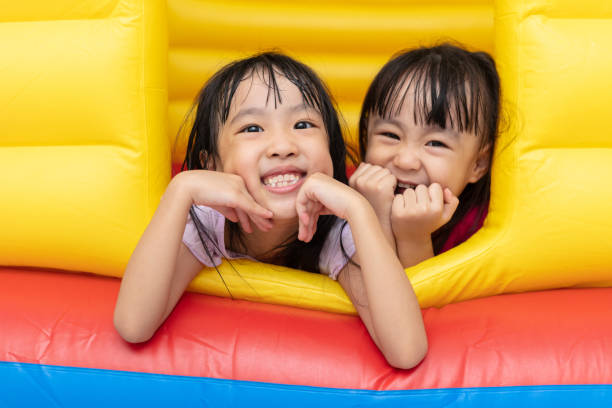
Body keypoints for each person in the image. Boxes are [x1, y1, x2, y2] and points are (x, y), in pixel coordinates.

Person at [114, 52, 427, 369]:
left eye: (302, 124)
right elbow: (133, 325)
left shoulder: (338, 232)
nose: (283, 145)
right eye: (252, 128)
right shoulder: (209, 221)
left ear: (331, 154)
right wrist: (180, 191)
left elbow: (406, 350)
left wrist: (359, 210)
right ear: (213, 165)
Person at [350, 44, 500, 268]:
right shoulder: (342, 198)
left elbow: (405, 301)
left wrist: (414, 238)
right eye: (390, 135)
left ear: (477, 164)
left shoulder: (482, 232)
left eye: (435, 143)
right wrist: (369, 215)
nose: (405, 161)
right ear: (366, 135)